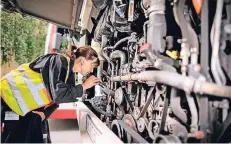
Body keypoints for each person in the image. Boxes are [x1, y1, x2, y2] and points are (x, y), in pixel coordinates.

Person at [0, 45, 100, 143]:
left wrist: (45, 113)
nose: (91, 70)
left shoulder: (69, 76)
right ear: (83, 60)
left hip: (21, 106)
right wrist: (83, 86)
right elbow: (58, 95)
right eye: (92, 65)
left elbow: (56, 101)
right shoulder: (58, 60)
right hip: (7, 94)